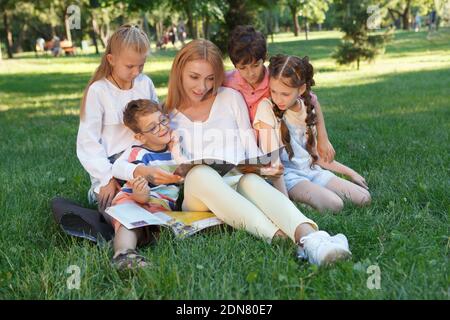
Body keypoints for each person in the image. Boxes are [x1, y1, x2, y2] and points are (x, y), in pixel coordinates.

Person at [114, 39, 352, 266]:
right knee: (200, 174)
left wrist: (266, 165)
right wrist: (141, 170)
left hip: (240, 183)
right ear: (179, 73)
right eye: (194, 77)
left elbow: (250, 147)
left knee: (249, 179)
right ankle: (285, 240)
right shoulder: (167, 116)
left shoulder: (230, 98)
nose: (202, 86)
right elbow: (126, 158)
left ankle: (312, 240)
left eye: (209, 78)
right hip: (200, 198)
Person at [254, 54, 371, 212]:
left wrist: (351, 173)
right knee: (335, 204)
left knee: (364, 198)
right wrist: (285, 203)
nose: (278, 99)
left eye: (285, 94)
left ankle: (313, 197)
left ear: (301, 89)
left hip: (310, 171)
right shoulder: (266, 108)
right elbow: (272, 163)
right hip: (287, 177)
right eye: (273, 92)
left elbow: (316, 156)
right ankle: (295, 202)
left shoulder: (308, 108)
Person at [76, 24, 160, 217]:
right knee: (116, 209)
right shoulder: (99, 91)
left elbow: (156, 122)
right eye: (130, 66)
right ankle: (98, 204)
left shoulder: (144, 83)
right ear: (111, 60)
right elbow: (87, 142)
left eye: (141, 65)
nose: (136, 72)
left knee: (155, 200)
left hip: (143, 158)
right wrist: (106, 178)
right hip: (112, 165)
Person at [224, 26, 336, 165]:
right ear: (235, 65)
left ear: (264, 58)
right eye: (243, 68)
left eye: (255, 65)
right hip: (243, 147)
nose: (250, 73)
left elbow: (312, 100)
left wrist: (323, 139)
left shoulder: (275, 80)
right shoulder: (227, 81)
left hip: (274, 147)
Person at [110, 99, 182, 270]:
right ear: (140, 136)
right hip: (135, 197)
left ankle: (144, 238)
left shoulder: (175, 150)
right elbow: (133, 185)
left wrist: (177, 149)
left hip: (162, 203)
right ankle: (123, 254)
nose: (162, 128)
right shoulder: (138, 153)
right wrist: (141, 195)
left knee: (157, 227)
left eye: (163, 120)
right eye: (152, 128)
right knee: (130, 219)